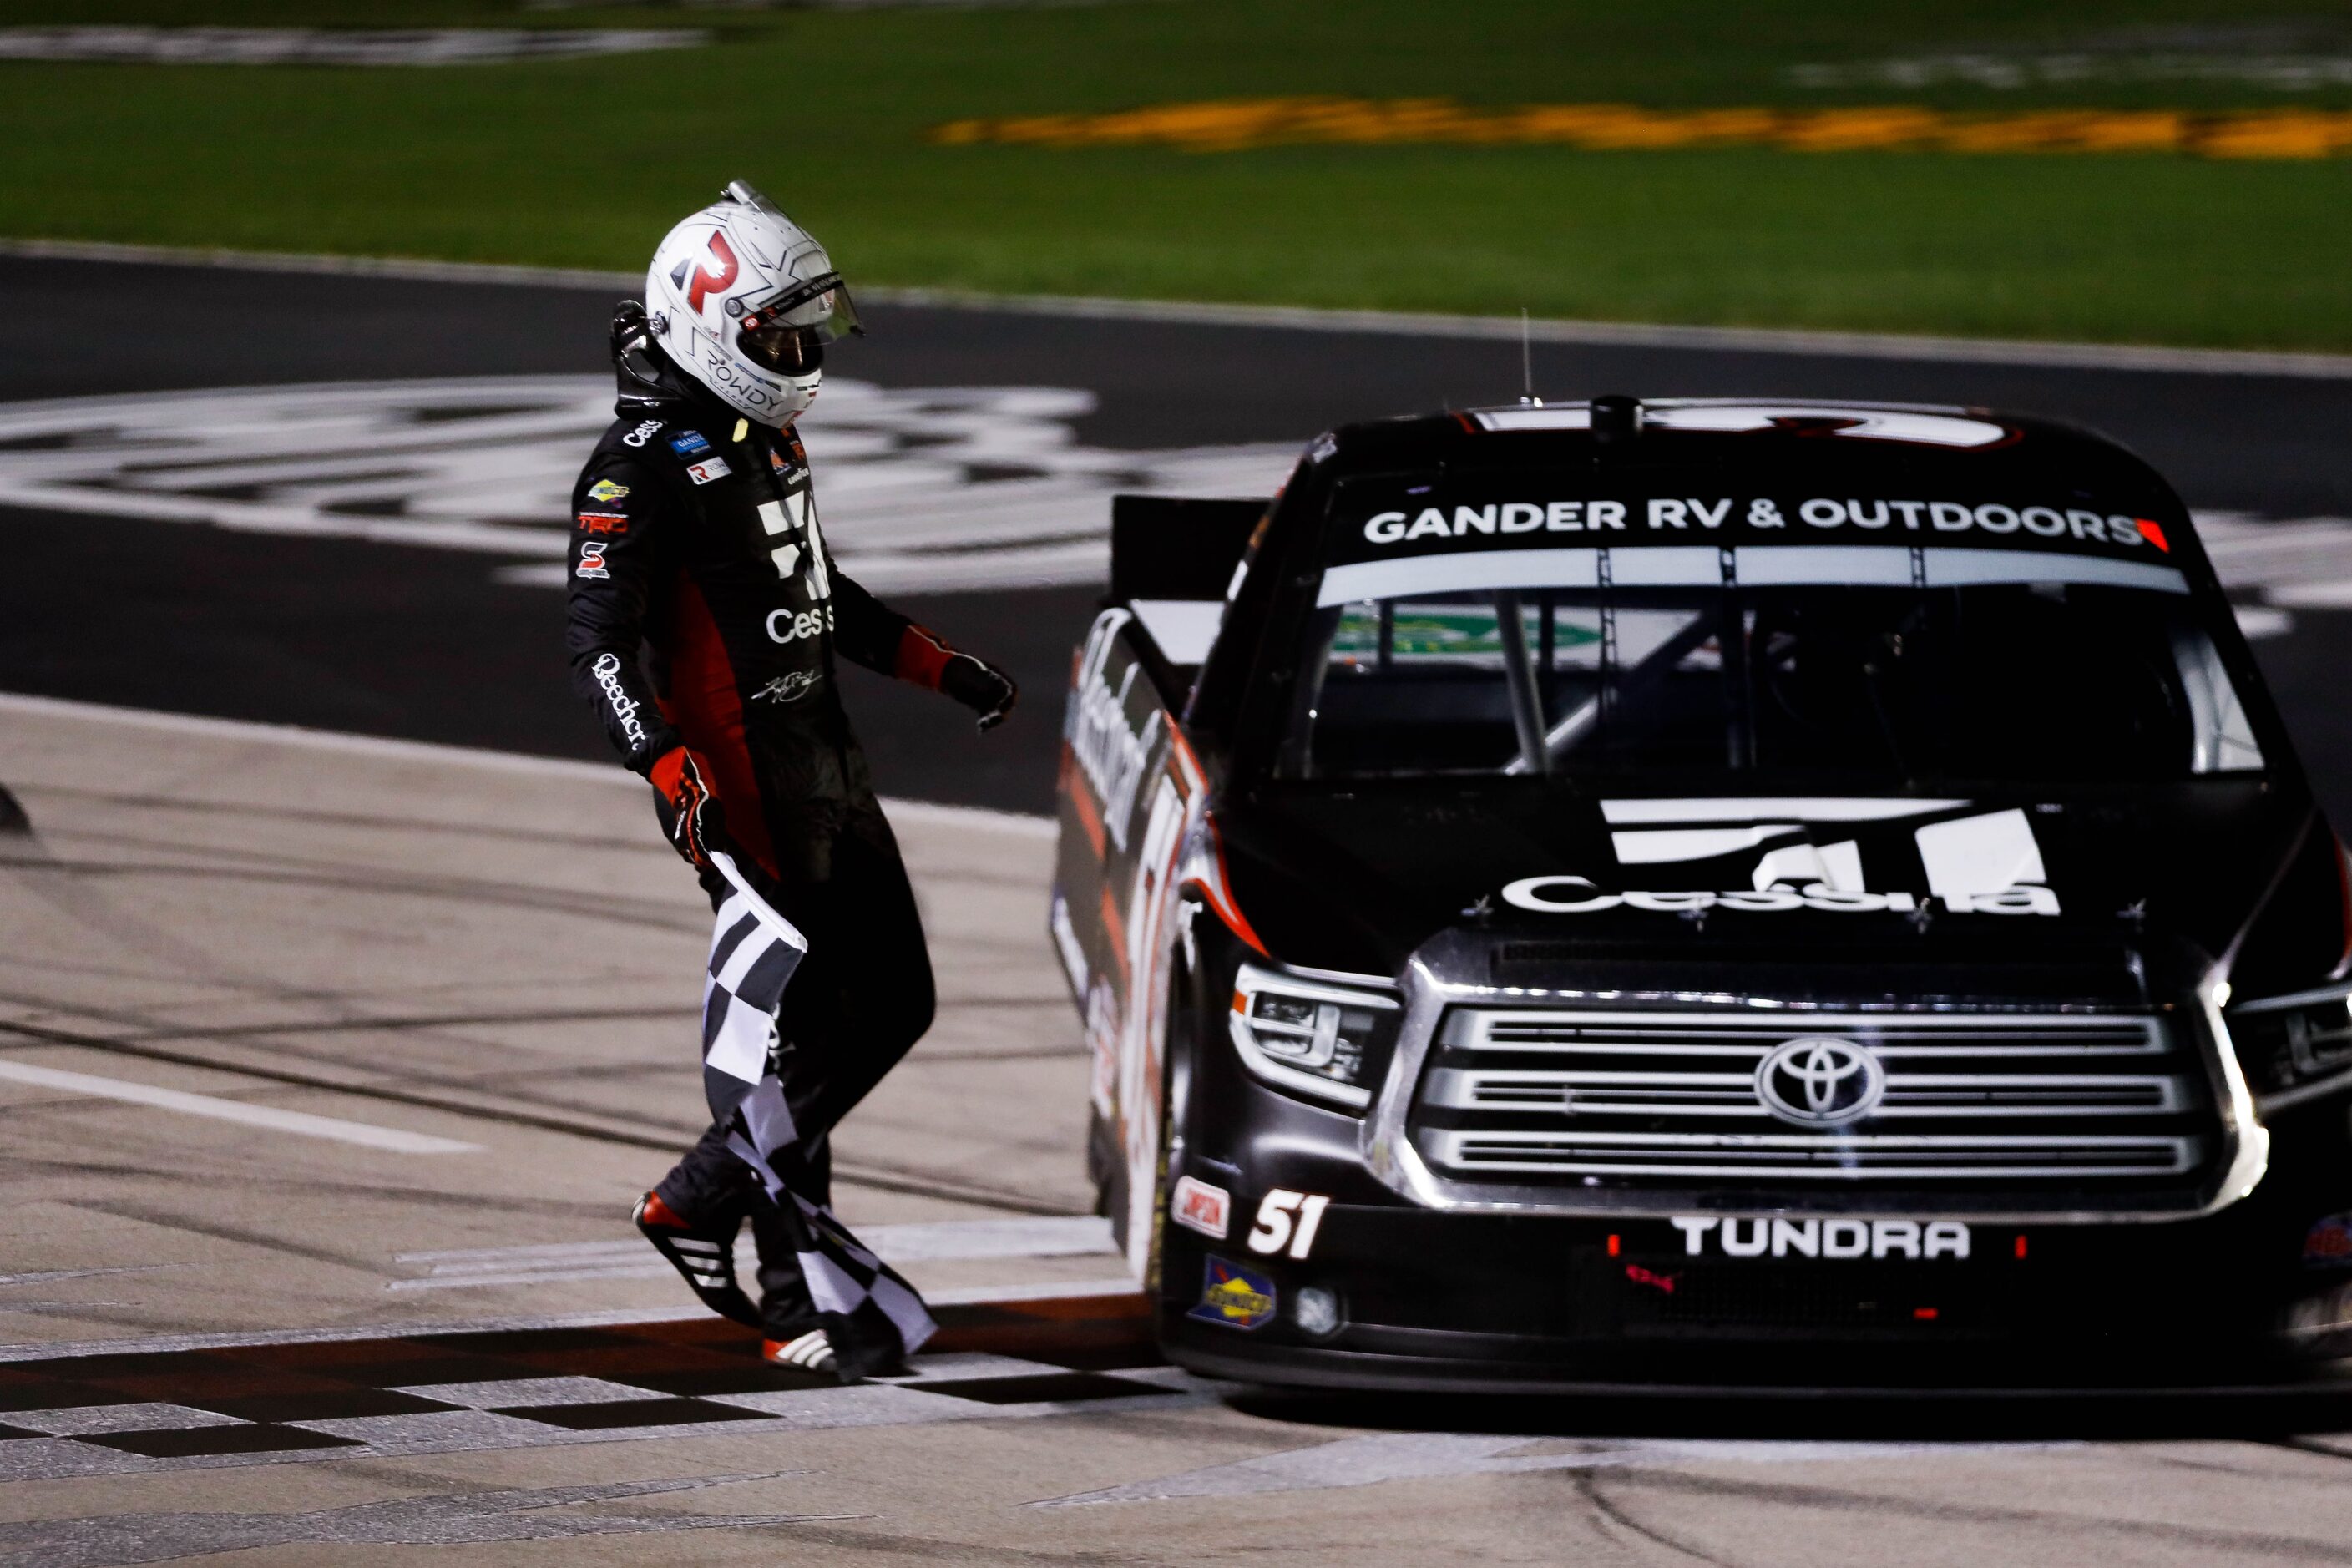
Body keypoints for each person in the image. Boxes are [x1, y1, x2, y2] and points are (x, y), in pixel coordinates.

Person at [564, 181, 1017, 1372]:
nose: (804, 351)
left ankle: (712, 1206)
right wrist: (665, 766)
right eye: (781, 330)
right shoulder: (634, 469)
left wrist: (936, 664)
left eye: (809, 327)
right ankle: (785, 1292)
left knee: (894, 1003)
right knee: (802, 1030)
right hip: (741, 791)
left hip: (823, 758)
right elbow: (597, 642)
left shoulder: (768, 433)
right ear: (710, 324)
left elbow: (820, 594)